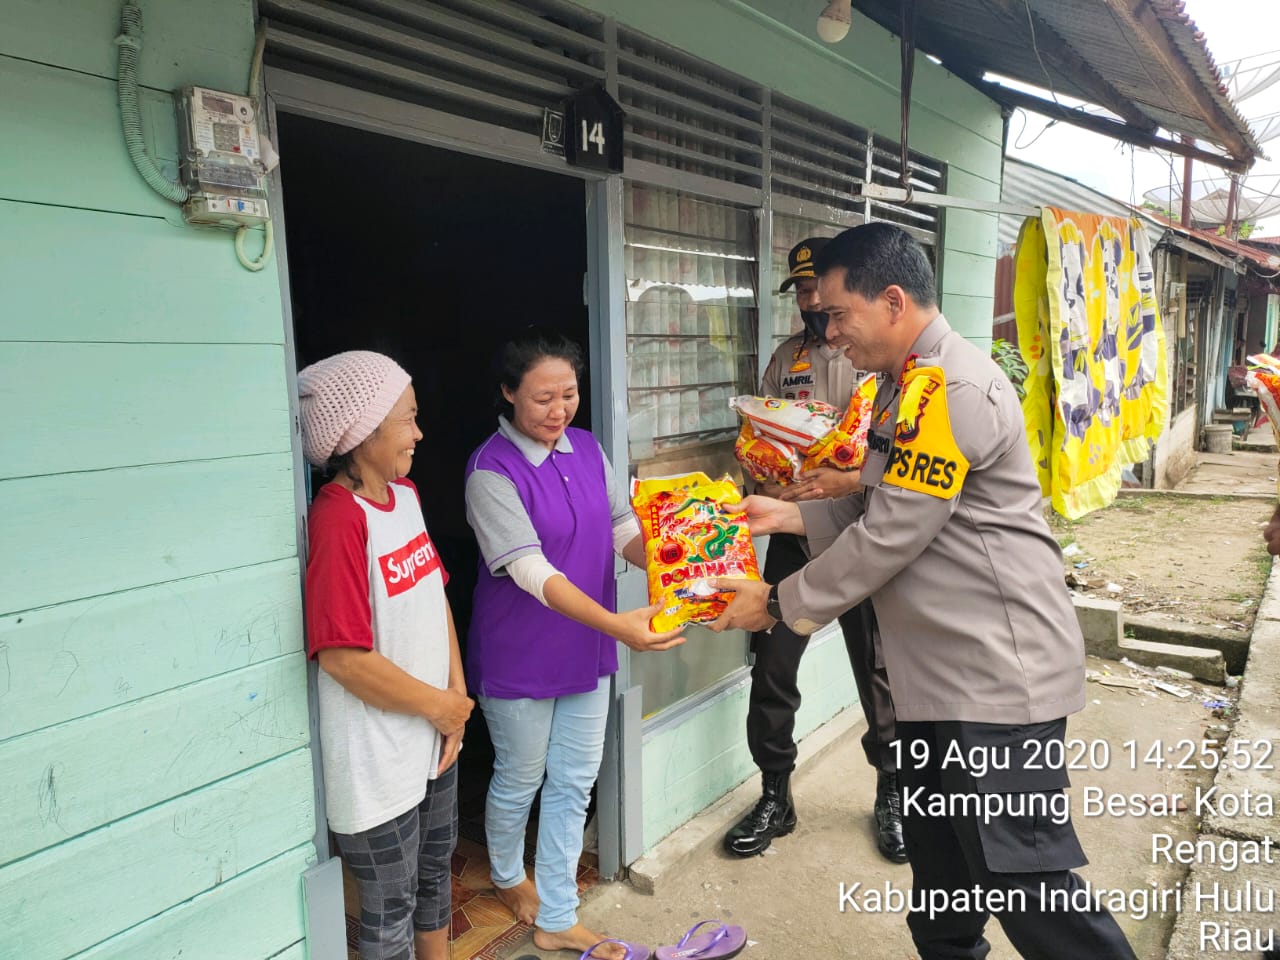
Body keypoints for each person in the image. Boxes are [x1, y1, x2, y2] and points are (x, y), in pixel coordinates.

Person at [709, 223, 1138, 959]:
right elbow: (873, 502)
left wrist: (777, 603)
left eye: (839, 313)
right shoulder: (901, 386)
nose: (828, 329)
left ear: (894, 301)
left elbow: (893, 535)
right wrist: (784, 512)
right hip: (939, 682)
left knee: (1030, 895)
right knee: (944, 892)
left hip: (995, 681)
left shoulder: (950, 388)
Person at [464, 329, 684, 960]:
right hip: (522, 650)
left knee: (574, 781)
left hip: (587, 648)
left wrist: (677, 559)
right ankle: (508, 873)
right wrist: (620, 626)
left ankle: (557, 914)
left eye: (569, 395)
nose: (559, 411)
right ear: (507, 394)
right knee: (522, 775)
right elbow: (531, 571)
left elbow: (621, 527)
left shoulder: (586, 448)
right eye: (541, 399)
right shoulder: (490, 471)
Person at [723, 237, 905, 863]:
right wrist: (766, 481)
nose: (811, 304)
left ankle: (892, 793)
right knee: (772, 668)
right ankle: (776, 793)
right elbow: (755, 441)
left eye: (817, 292)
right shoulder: (786, 360)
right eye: (802, 294)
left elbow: (892, 467)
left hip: (856, 533)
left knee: (878, 671)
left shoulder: (880, 364)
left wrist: (845, 481)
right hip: (793, 535)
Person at [299, 350, 473, 960]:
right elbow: (344, 658)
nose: (420, 433)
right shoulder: (337, 519)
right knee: (389, 906)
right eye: (408, 419)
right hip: (374, 759)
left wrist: (456, 696)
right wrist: (442, 708)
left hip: (432, 735)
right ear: (362, 431)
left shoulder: (406, 497)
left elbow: (436, 599)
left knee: (433, 881)